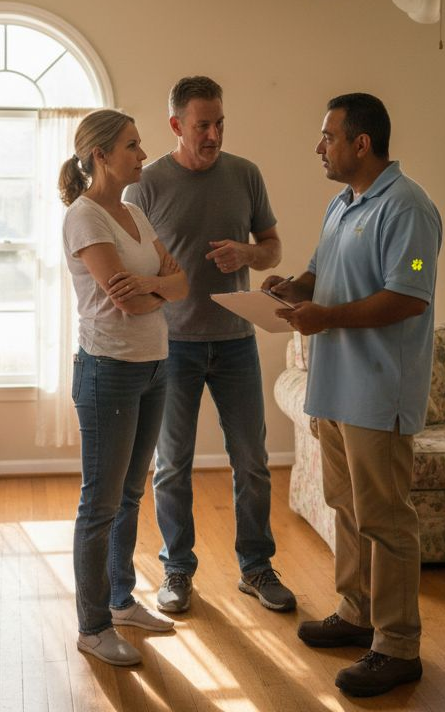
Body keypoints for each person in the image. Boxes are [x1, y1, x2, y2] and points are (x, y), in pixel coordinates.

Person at [263, 93, 441, 697]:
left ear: (360, 144)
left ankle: (397, 646)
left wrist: (327, 316)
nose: (319, 146)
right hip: (334, 387)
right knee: (346, 506)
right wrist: (292, 287)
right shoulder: (343, 203)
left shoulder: (408, 208)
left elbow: (409, 296)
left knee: (386, 520)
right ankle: (356, 612)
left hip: (378, 392)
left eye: (327, 136)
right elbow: (319, 273)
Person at [124, 76, 296, 614]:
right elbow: (130, 268)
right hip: (171, 346)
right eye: (203, 125)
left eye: (220, 123)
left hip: (236, 344)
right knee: (172, 464)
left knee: (252, 460)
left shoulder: (245, 175)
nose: (214, 134)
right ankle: (177, 570)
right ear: (177, 126)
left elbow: (272, 250)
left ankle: (256, 568)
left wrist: (247, 256)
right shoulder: (145, 187)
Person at [59, 109, 189, 667]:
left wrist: (155, 284)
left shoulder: (134, 211)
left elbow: (181, 283)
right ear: (101, 156)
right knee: (101, 503)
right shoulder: (85, 217)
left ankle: (120, 599)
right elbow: (127, 302)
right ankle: (92, 627)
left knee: (131, 494)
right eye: (133, 145)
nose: (143, 153)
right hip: (108, 370)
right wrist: (157, 289)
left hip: (155, 364)